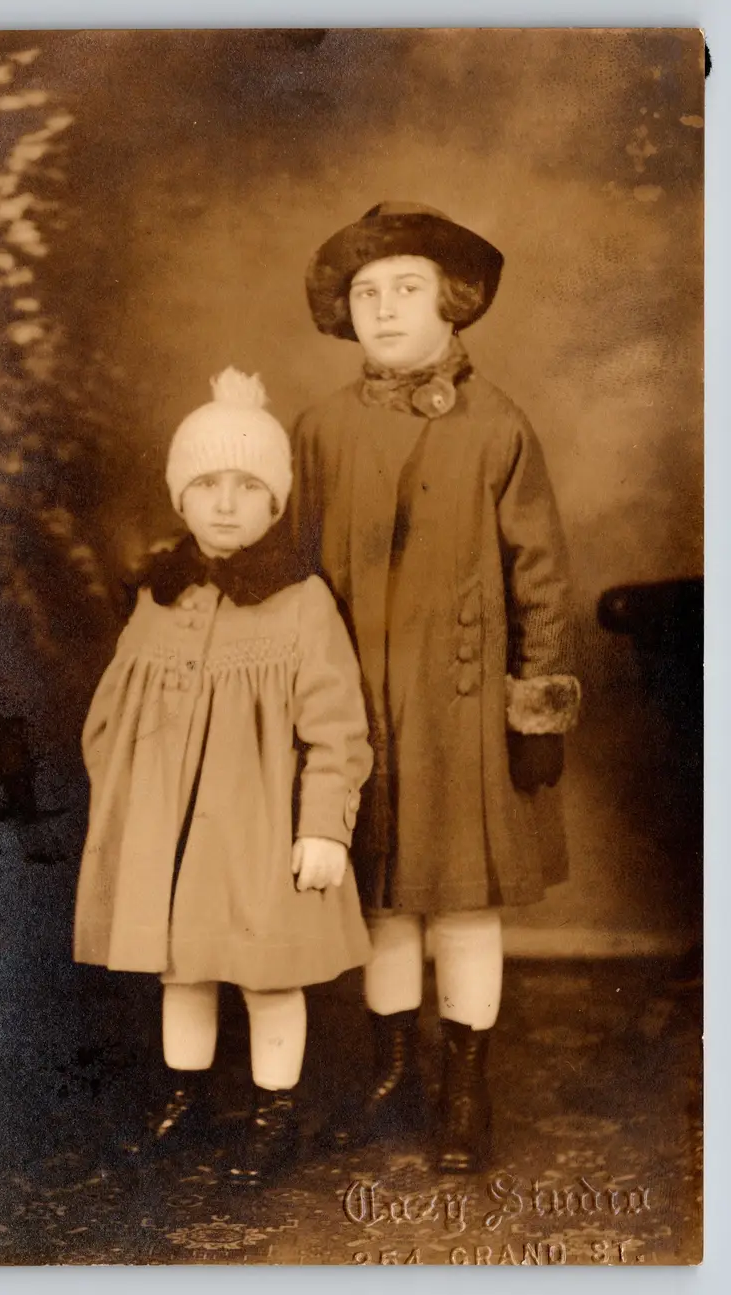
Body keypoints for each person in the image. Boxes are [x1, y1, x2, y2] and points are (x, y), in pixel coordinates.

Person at [290, 201, 581, 1173]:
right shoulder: (321, 428)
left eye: (405, 288)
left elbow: (539, 574)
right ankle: (389, 1074)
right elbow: (292, 573)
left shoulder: (498, 426)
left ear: (452, 304)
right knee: (381, 899)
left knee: (460, 903)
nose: (383, 308)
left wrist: (536, 702)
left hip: (460, 717)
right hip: (360, 707)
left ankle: (465, 1085)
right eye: (366, 293)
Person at [73, 367, 373, 1186]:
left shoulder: (302, 600)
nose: (227, 502)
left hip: (258, 829)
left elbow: (337, 725)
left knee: (268, 976)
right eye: (207, 483)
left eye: (249, 486)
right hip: (171, 832)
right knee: (186, 967)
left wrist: (323, 824)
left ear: (276, 503)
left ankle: (275, 1111)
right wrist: (125, 802)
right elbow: (115, 708)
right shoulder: (160, 594)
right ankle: (186, 1096)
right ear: (181, 496)